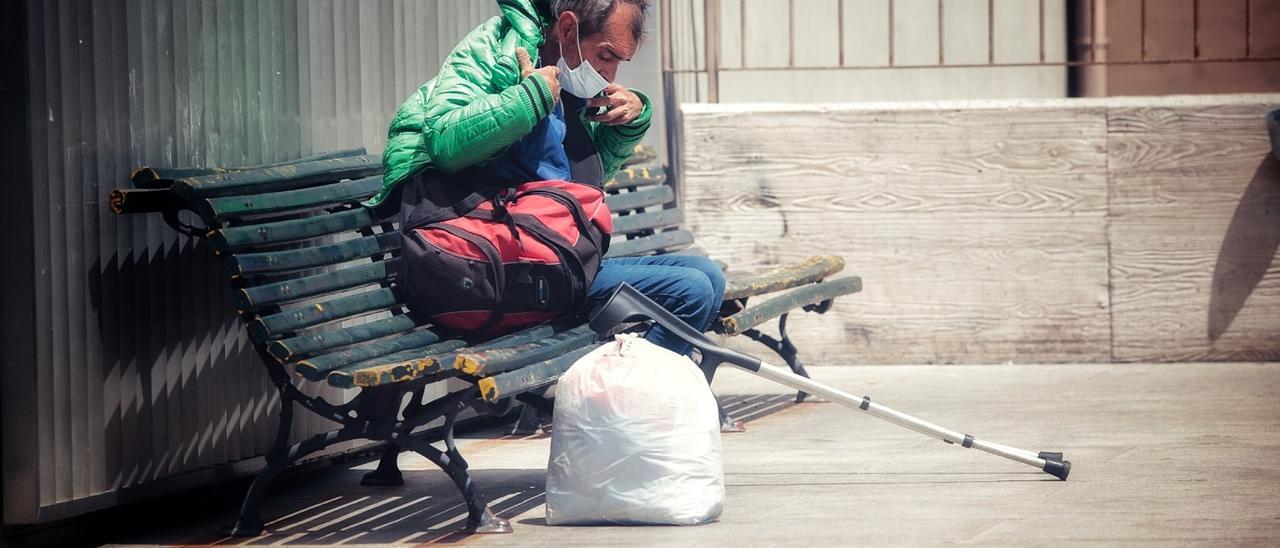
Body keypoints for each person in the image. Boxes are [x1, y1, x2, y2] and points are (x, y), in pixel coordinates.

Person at [372, 0, 724, 356]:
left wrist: (626, 126)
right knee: (691, 290)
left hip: (542, 246)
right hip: (489, 260)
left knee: (708, 274)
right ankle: (628, 396)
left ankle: (637, 396)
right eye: (605, 56)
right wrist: (529, 97)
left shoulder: (566, 74)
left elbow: (572, 191)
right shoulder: (499, 51)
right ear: (568, 29)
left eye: (619, 61)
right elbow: (445, 141)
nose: (610, 74)